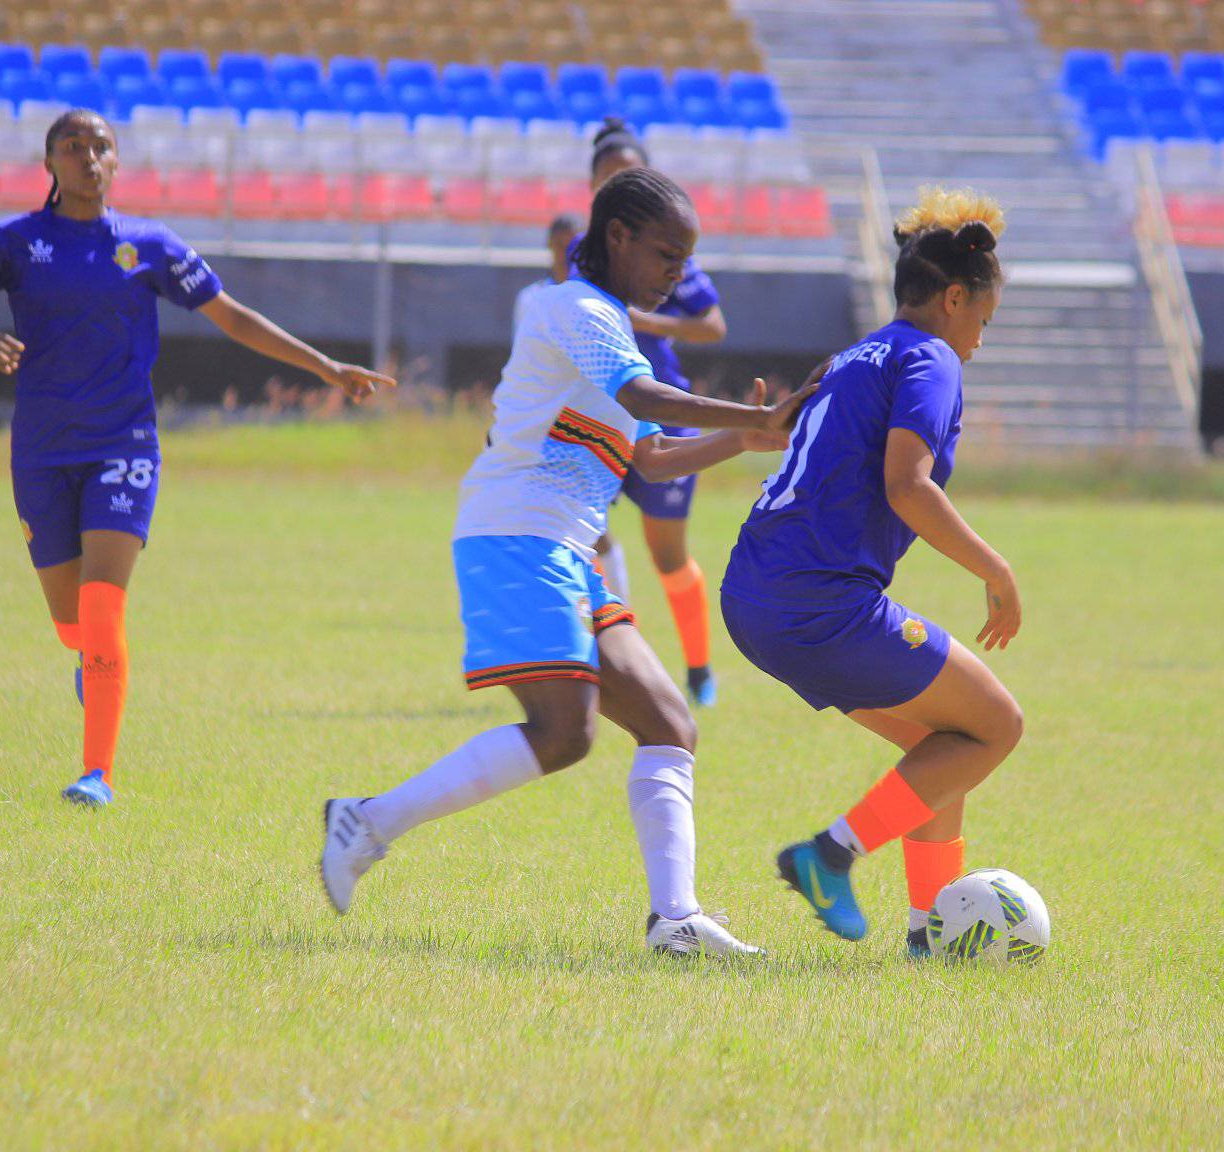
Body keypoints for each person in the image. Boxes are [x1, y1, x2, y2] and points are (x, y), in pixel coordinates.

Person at [320, 167, 815, 955]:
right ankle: (367, 821)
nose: (676, 274)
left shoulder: (610, 322)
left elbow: (648, 458)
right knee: (564, 733)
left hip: (559, 546)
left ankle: (675, 921)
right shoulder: (576, 307)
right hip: (518, 535)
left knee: (667, 722)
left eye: (686, 260)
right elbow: (648, 401)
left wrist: (747, 438)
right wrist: (755, 412)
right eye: (665, 253)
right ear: (615, 238)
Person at [0, 108, 392, 807]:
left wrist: (325, 366)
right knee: (71, 625)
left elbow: (231, 315)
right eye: (73, 147)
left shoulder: (148, 244)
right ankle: (90, 661)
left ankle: (97, 774)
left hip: (125, 445)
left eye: (102, 147)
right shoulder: (14, 243)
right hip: (42, 452)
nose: (89, 157)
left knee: (103, 601)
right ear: (48, 163)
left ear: (118, 162)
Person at [719, 188, 1025, 956]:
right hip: (818, 601)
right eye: (983, 322)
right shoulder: (931, 358)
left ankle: (926, 936)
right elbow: (907, 486)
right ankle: (830, 857)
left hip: (752, 591)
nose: (980, 343)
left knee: (944, 742)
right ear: (955, 298)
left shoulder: (857, 353)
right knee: (996, 725)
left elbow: (792, 435)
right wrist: (996, 569)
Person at [586, 119, 730, 707]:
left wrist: (645, 321)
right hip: (597, 413)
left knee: (668, 555)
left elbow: (713, 325)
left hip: (662, 409)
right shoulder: (584, 252)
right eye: (606, 174)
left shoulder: (671, 252)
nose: (615, 181)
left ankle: (698, 670)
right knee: (585, 536)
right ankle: (611, 661)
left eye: (626, 172)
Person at [513, 213, 582, 331]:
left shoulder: (595, 298)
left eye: (572, 247)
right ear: (549, 244)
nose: (566, 254)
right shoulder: (530, 298)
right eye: (560, 245)